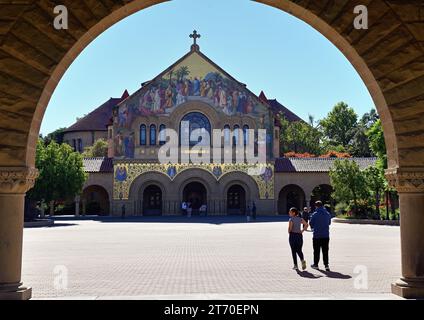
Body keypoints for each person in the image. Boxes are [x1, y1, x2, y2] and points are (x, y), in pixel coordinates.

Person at [309, 201, 332, 271]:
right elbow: (329, 223)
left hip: (317, 235)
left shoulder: (314, 214)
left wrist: (313, 228)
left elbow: (311, 223)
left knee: (316, 250)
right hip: (325, 235)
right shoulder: (327, 214)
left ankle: (316, 264)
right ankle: (326, 265)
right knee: (325, 250)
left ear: (316, 206)